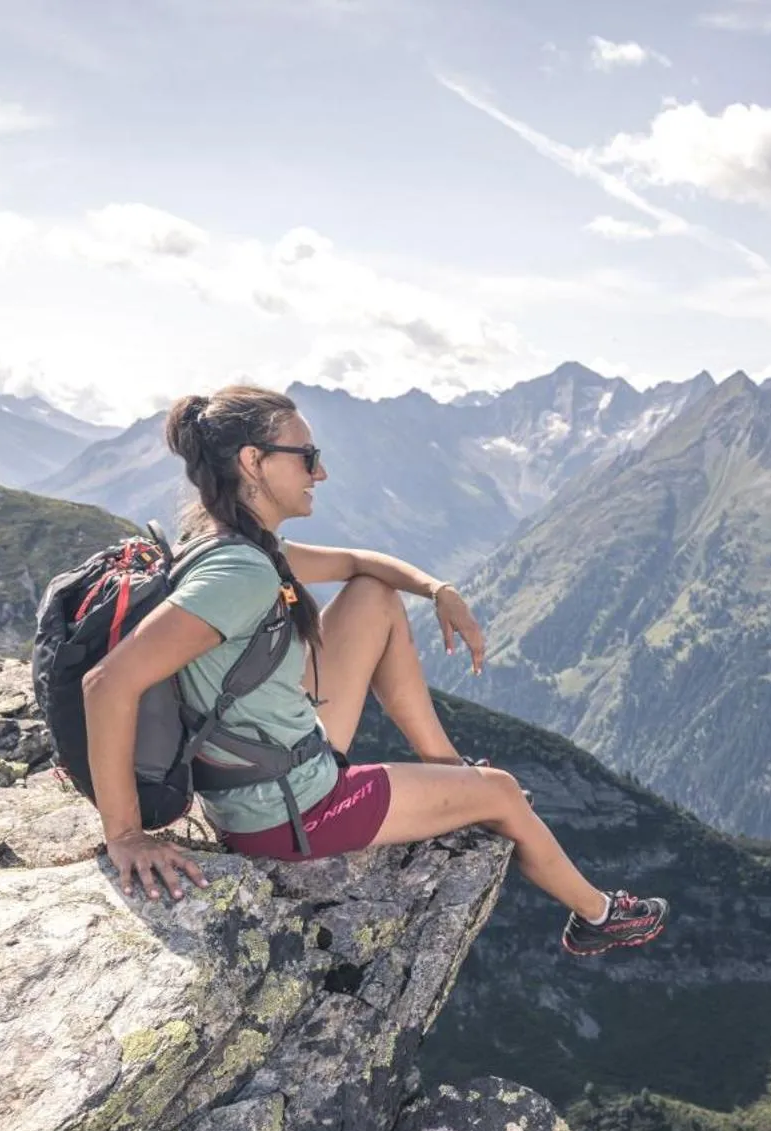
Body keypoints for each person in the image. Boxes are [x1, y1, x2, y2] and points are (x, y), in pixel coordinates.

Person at [78, 384, 667, 957]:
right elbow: (107, 684)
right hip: (289, 812)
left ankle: (445, 767)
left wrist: (438, 589)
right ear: (254, 462)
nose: (321, 473)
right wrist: (125, 835)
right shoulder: (243, 574)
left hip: (267, 763)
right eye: (307, 458)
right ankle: (598, 916)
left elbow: (362, 564)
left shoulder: (231, 545)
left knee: (374, 596)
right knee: (504, 794)